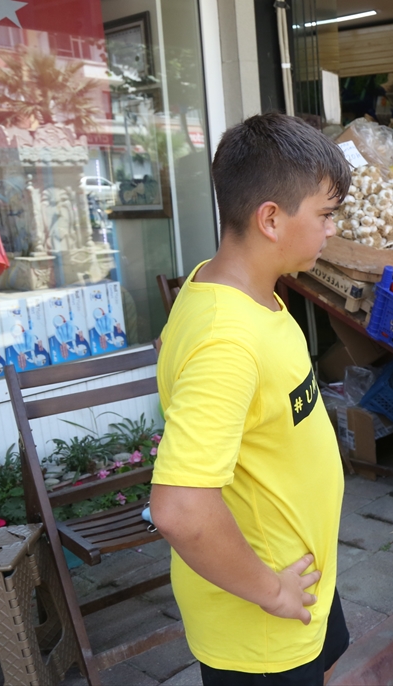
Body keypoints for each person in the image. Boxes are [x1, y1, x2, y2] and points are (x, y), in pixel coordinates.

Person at [150, 114, 352, 685]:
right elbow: (179, 509)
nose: (332, 230)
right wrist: (272, 593)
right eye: (325, 215)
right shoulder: (226, 339)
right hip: (262, 616)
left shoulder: (230, 290)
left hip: (302, 576)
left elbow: (172, 345)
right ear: (270, 218)